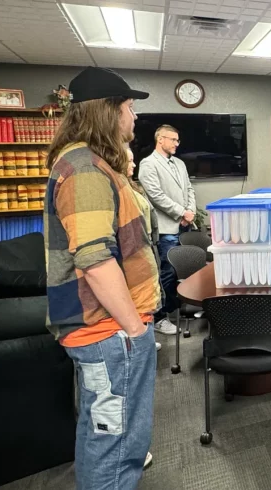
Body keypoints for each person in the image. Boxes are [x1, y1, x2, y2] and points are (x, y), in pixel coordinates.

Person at [44, 66, 158, 488]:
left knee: (107, 436)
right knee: (114, 448)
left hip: (109, 330)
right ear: (108, 111)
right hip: (109, 332)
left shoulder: (92, 164)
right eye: (128, 107)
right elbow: (94, 260)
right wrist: (135, 330)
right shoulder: (84, 169)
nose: (134, 116)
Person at [138, 125, 196, 336]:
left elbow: (189, 188)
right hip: (166, 229)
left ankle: (177, 311)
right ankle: (161, 317)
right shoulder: (148, 164)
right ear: (160, 139)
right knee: (167, 273)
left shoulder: (179, 163)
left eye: (177, 140)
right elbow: (156, 195)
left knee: (182, 271)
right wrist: (181, 212)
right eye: (173, 139)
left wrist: (190, 212)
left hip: (184, 225)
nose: (176, 144)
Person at [127, 147, 163, 354]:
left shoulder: (132, 186)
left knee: (151, 292)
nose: (134, 164)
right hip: (135, 250)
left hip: (148, 244)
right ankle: (140, 337)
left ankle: (146, 335)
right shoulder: (119, 190)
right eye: (129, 161)